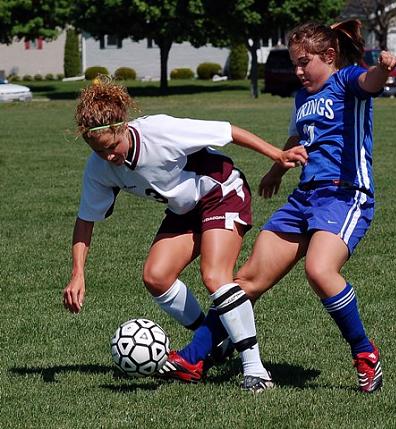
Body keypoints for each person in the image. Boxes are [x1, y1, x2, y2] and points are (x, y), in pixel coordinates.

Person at [163, 19, 396, 394]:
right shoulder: (303, 97)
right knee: (245, 281)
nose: (298, 70)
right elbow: (298, 136)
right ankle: (195, 358)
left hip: (345, 194)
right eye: (295, 63)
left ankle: (365, 354)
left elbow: (369, 82)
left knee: (320, 271)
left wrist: (384, 69)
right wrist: (276, 169)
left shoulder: (346, 80)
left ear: (330, 56)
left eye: (305, 62)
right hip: (304, 198)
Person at [61, 77, 307, 392]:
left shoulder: (159, 131)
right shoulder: (99, 167)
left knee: (215, 277)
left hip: (222, 192)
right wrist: (78, 273)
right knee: (156, 276)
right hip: (185, 209)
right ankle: (211, 341)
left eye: (112, 148)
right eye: (99, 151)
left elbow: (228, 131)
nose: (109, 157)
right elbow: (86, 219)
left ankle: (255, 371)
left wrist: (277, 155)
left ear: (124, 127)